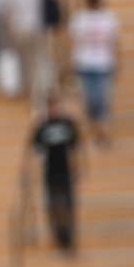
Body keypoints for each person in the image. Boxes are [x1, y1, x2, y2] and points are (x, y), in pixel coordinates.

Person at [23, 94, 83, 255]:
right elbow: (33, 150)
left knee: (68, 206)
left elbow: (76, 148)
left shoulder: (68, 124)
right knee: (55, 205)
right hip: (51, 172)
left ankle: (69, 237)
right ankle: (59, 237)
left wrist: (79, 169)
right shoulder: (42, 127)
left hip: (66, 171)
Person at [69, 0, 120, 147]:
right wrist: (70, 62)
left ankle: (103, 132)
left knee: (102, 98)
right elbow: (73, 42)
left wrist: (117, 61)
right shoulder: (80, 18)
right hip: (85, 63)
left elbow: (114, 42)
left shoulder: (109, 18)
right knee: (90, 98)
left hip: (103, 63)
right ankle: (95, 122)